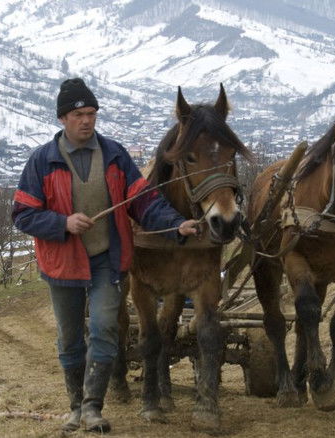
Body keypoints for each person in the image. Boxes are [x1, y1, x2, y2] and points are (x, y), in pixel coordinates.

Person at [12, 78, 199, 434]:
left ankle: (93, 408)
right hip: (62, 264)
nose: (87, 121)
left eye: (92, 113)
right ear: (62, 118)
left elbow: (143, 201)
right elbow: (22, 215)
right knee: (69, 338)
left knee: (104, 328)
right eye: (79, 114)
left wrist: (177, 225)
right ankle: (75, 408)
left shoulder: (114, 154)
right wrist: (62, 222)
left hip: (106, 260)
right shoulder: (42, 161)